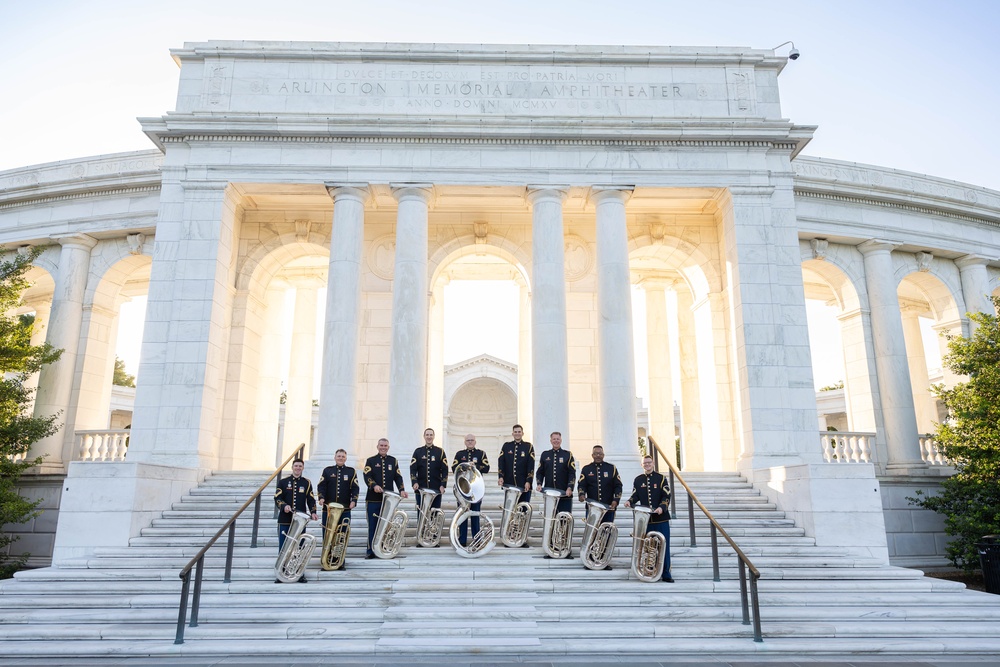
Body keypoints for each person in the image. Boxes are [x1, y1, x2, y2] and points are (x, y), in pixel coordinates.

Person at [624, 455, 673, 583]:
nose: (647, 465)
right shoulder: (638, 480)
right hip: (646, 520)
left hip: (661, 519)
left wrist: (662, 507)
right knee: (648, 547)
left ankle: (666, 573)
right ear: (642, 465)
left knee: (663, 546)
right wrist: (629, 501)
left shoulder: (661, 478)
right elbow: (635, 495)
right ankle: (650, 569)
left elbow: (666, 495)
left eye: (649, 462)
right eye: (645, 463)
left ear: (653, 463)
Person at [577, 444, 623, 570]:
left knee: (606, 535)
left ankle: (603, 561)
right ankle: (589, 559)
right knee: (591, 534)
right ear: (592, 455)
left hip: (608, 508)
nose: (598, 455)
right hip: (592, 509)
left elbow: (618, 486)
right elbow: (581, 485)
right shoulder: (586, 469)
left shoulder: (611, 468)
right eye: (596, 453)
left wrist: (616, 500)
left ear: (603, 455)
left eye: (600, 453)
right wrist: (581, 494)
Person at [273, 457, 317, 583]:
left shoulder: (307, 483)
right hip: (285, 520)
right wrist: (283, 506)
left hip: (300, 521)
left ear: (303, 468)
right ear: (292, 467)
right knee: (284, 547)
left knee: (299, 548)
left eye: (300, 466)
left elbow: (311, 499)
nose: (298, 468)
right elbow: (277, 497)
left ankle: (298, 574)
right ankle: (280, 573)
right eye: (296, 466)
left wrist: (313, 512)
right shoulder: (283, 482)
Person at [363, 438, 408, 559]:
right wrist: (374, 486)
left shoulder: (393, 461)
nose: (383, 447)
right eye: (381, 445)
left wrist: (401, 489)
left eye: (385, 446)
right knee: (373, 525)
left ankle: (382, 547)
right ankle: (370, 550)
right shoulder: (371, 461)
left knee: (386, 525)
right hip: (373, 499)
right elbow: (367, 476)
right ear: (377, 446)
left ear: (388, 447)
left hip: (388, 501)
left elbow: (398, 477)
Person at [536, 431, 577, 558]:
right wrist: (538, 483)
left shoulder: (567, 455)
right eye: (554, 439)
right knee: (552, 522)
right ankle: (551, 548)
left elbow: (572, 473)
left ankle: (565, 549)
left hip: (564, 495)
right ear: (550, 440)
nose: (556, 441)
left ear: (561, 440)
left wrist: (570, 487)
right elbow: (540, 472)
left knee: (564, 522)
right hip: (550, 495)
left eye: (558, 439)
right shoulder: (545, 454)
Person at [316, 448, 359, 568]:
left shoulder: (351, 471)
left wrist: (354, 501)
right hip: (328, 510)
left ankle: (339, 562)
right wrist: (321, 497)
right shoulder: (327, 471)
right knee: (328, 536)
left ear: (346, 458)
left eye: (343, 456)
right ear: (335, 458)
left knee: (342, 536)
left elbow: (355, 488)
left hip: (345, 509)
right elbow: (321, 486)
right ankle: (326, 560)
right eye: (339, 456)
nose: (340, 458)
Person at [410, 427, 449, 546]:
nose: (429, 436)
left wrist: (443, 485)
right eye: (427, 434)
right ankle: (420, 539)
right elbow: (413, 469)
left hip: (436, 490)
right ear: (424, 436)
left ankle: (433, 539)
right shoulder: (418, 451)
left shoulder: (440, 452)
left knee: (434, 515)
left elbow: (445, 470)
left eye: (431, 435)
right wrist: (414, 482)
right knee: (421, 515)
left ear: (434, 436)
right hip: (420, 490)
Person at [451, 433, 491, 548]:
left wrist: (475, 466)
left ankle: (477, 539)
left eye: (472, 440)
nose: (470, 442)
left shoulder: (481, 454)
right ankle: (462, 539)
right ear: (464, 442)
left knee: (475, 515)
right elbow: (454, 468)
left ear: (475, 441)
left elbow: (487, 468)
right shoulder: (460, 454)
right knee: (462, 515)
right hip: (462, 489)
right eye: (468, 440)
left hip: (476, 490)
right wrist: (464, 465)